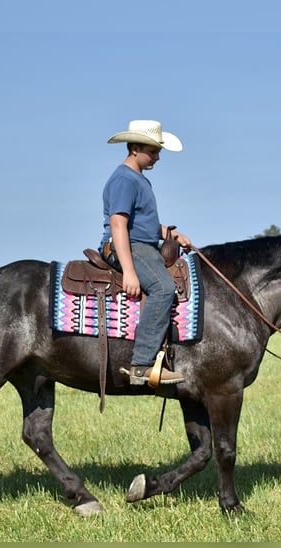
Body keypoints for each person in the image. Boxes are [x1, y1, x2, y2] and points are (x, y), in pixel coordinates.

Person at [99, 120, 191, 385]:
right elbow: (119, 224)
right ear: (135, 147)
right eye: (153, 151)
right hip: (128, 247)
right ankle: (142, 365)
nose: (158, 156)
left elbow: (145, 223)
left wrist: (171, 235)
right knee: (163, 288)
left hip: (141, 244)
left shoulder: (139, 180)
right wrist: (128, 270)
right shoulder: (124, 180)